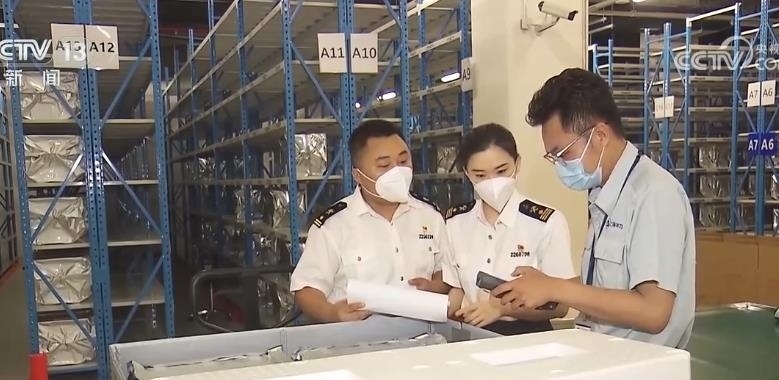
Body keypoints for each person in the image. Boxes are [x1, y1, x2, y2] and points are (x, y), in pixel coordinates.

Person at [492, 68, 696, 348]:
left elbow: (653, 312)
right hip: (603, 353)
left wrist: (555, 288)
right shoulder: (605, 194)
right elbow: (606, 290)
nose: (560, 165)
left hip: (640, 365)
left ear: (600, 135)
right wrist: (546, 284)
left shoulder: (653, 194)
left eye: (563, 153)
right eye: (554, 157)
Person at [289, 119, 452, 324]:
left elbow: (446, 271)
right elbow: (306, 289)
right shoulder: (333, 226)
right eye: (384, 165)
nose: (397, 172)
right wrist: (331, 313)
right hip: (357, 337)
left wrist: (436, 286)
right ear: (358, 175)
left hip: (422, 334)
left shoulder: (430, 216)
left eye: (403, 161)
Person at [442, 123, 577, 335]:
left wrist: (500, 309)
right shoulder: (455, 222)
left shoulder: (546, 222)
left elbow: (561, 306)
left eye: (501, 171)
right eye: (480, 175)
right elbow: (457, 289)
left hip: (529, 336)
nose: (492, 182)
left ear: (517, 164)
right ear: (467, 173)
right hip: (472, 333)